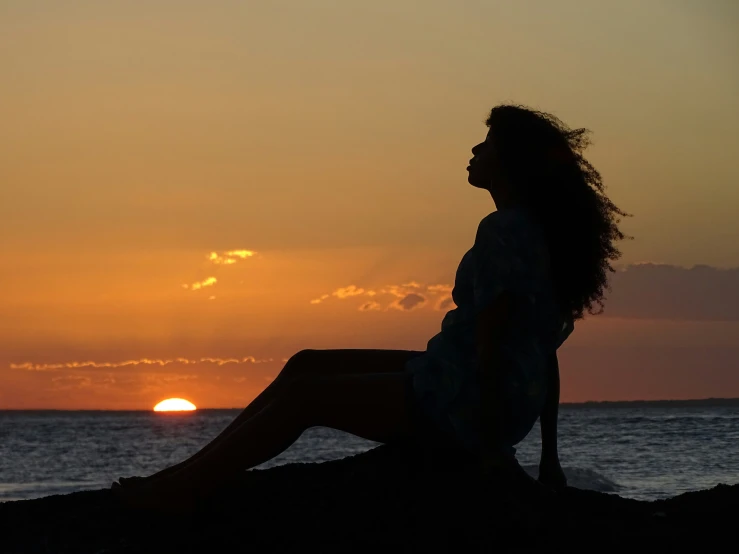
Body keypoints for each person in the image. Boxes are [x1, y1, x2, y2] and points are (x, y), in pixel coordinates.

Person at [114, 104, 629, 513]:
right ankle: (185, 473)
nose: (475, 149)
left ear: (510, 159)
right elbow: (541, 355)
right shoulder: (543, 236)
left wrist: (490, 448)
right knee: (307, 362)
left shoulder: (503, 231)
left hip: (462, 401)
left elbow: (494, 344)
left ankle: (178, 491)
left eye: (488, 143)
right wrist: (548, 458)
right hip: (473, 389)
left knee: (305, 395)